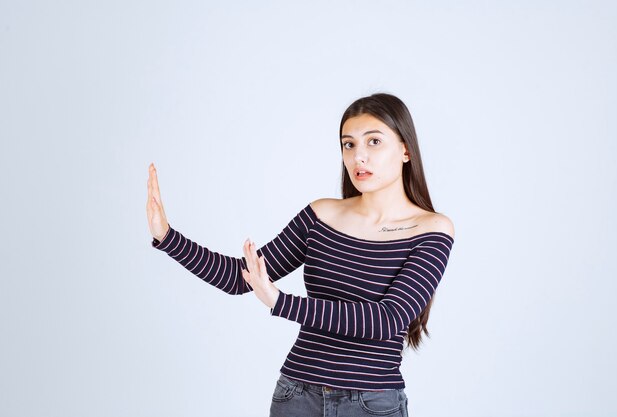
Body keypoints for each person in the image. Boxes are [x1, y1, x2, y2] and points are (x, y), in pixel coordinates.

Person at [146, 93, 455, 417]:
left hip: (371, 403)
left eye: (373, 141)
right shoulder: (321, 215)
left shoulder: (431, 229)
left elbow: (387, 319)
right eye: (348, 144)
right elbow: (242, 278)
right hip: (297, 394)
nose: (358, 157)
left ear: (405, 149)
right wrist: (166, 236)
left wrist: (282, 302)